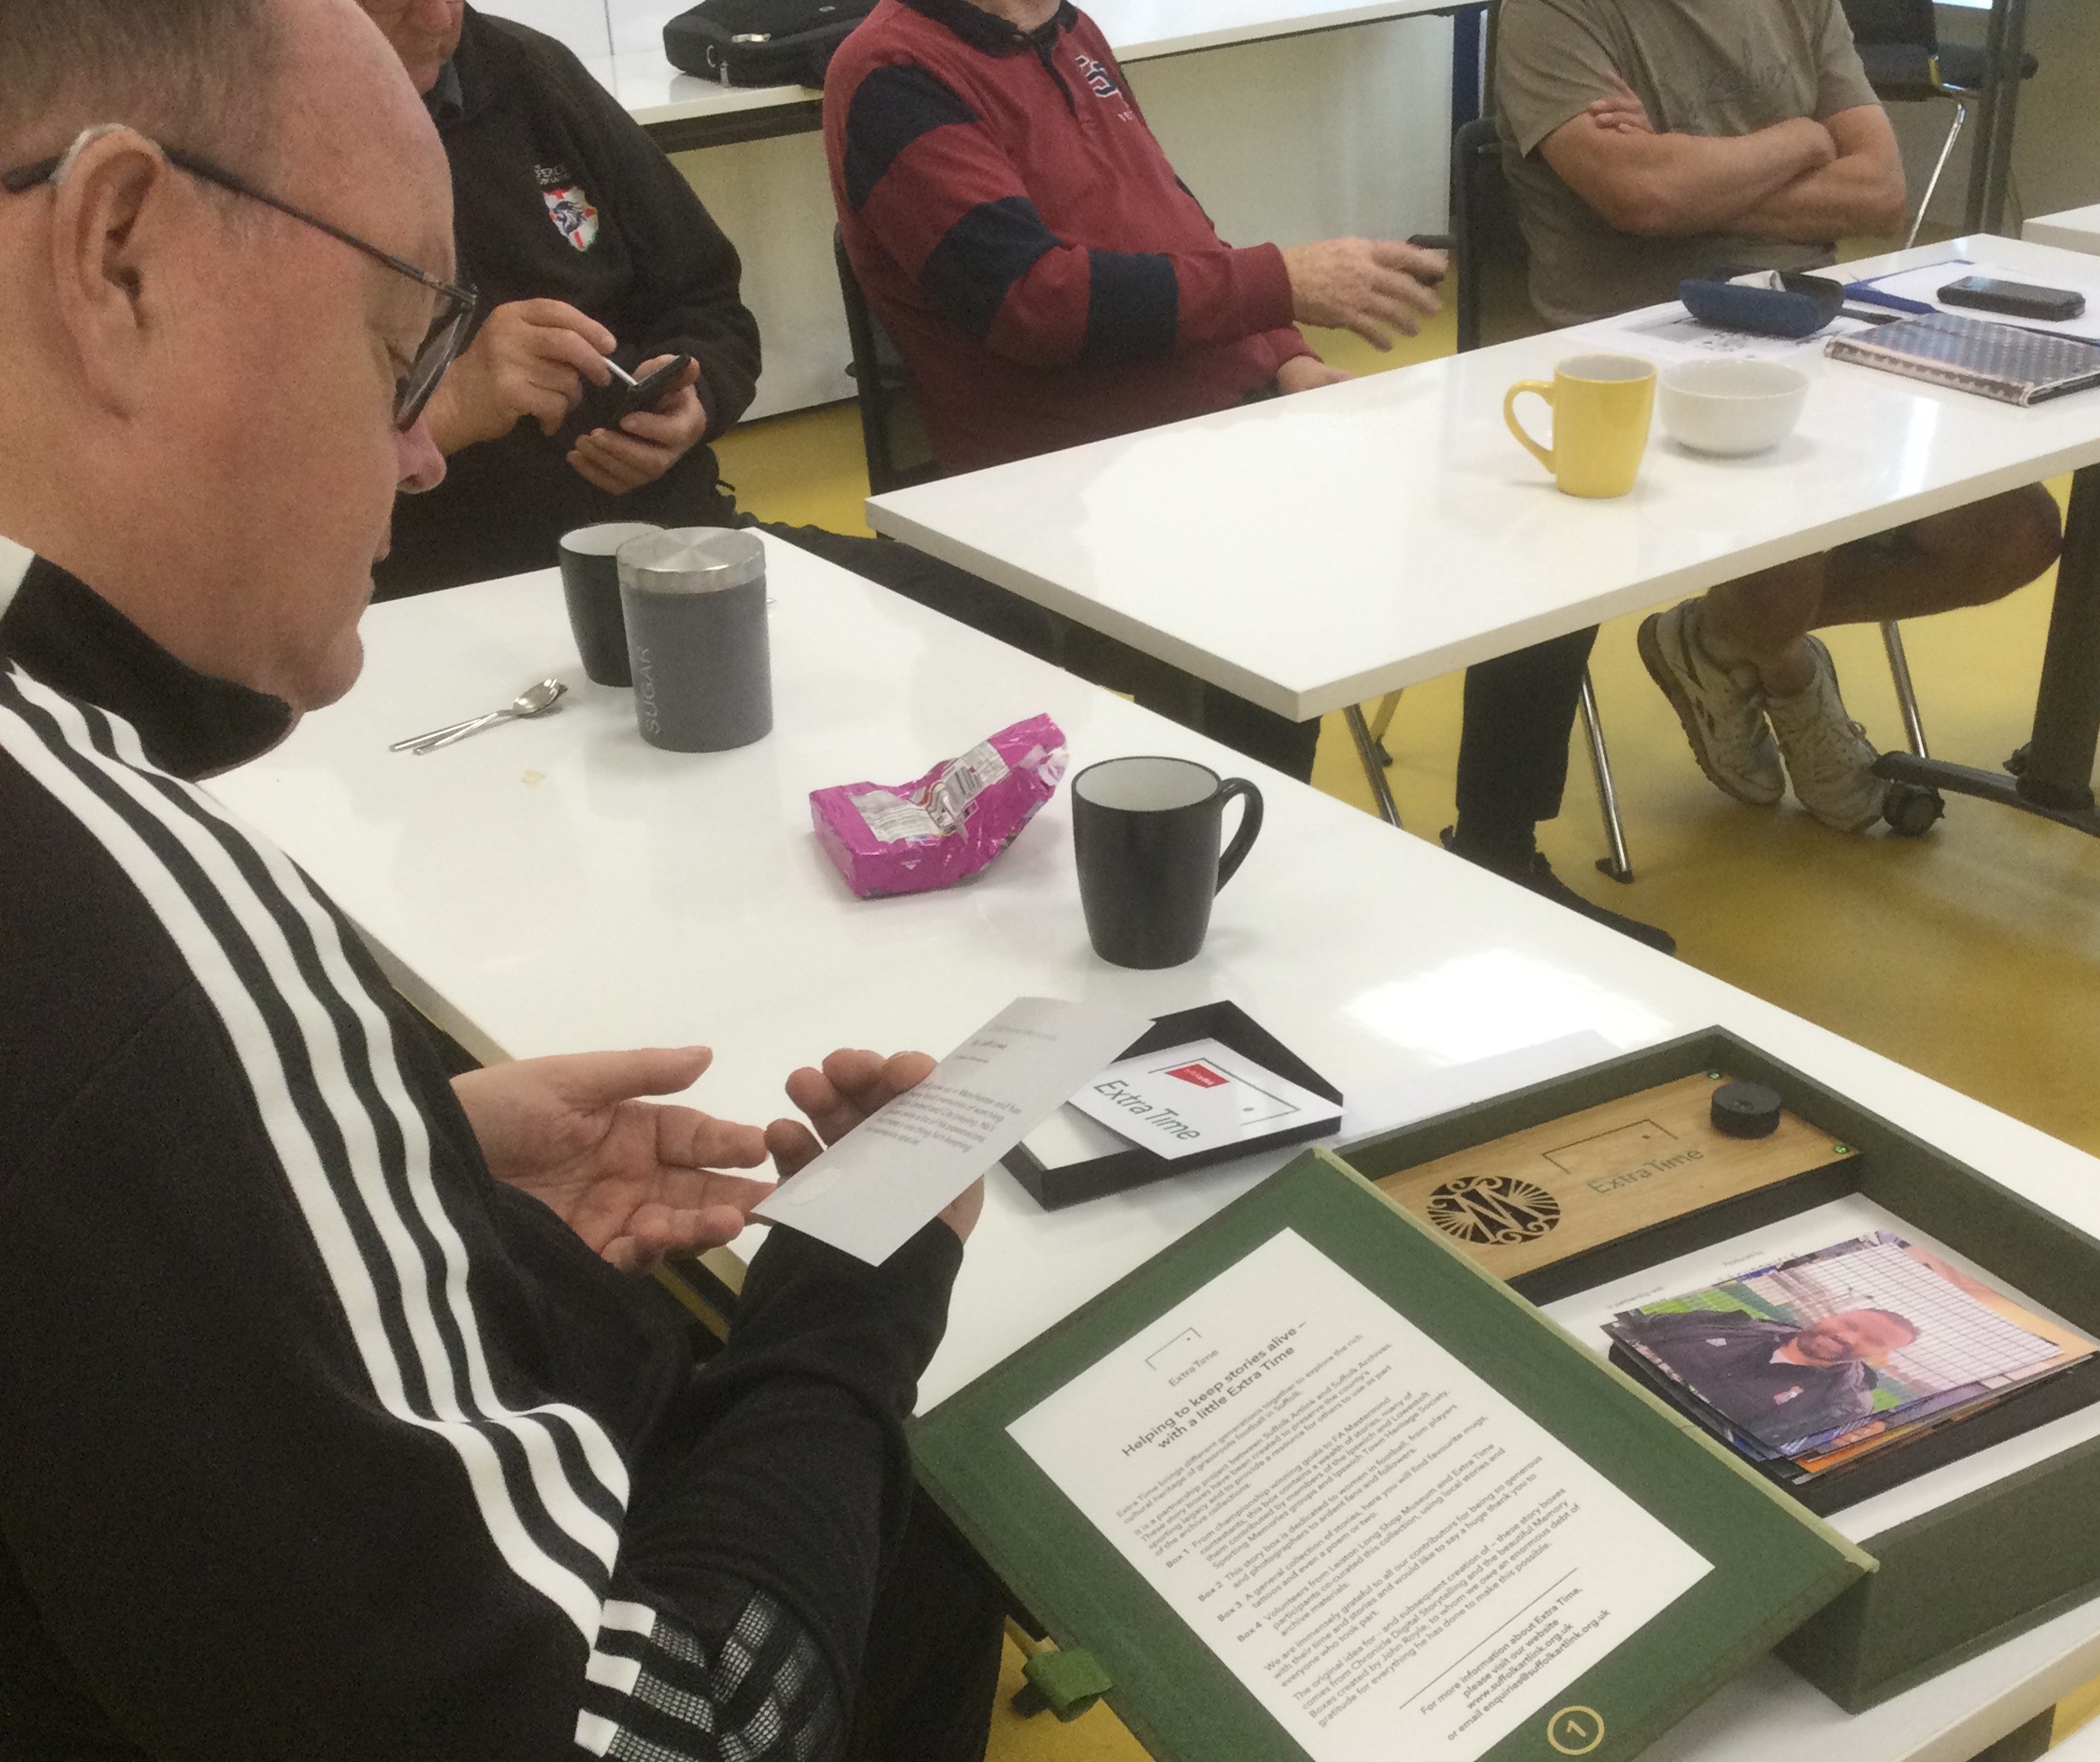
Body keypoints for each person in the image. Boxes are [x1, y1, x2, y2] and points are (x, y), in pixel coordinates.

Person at [0, 3, 1000, 1758]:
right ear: (121, 255)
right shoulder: (129, 927)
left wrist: (367, 1161)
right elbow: (653, 1733)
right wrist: (846, 1298)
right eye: (399, 348)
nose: (423, 450)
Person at [1449, 0, 2064, 948]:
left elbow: (1878, 192)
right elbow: (1639, 199)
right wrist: (1802, 136)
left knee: (2019, 532)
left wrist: (1691, 174)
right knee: (1780, 543)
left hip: (1817, 330)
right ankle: (1774, 661)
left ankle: (1714, 642)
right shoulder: (1556, 10)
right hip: (1636, 348)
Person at [823, 0, 1449, 781]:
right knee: (1332, 575)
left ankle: (1485, 836)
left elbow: (1176, 228)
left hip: (1195, 452)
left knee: (1477, 515)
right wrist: (1282, 283)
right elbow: (1033, 302)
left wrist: (1286, 355)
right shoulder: (895, 73)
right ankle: (1229, 835)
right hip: (1068, 497)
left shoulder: (1066, 30)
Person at [365, 0, 1059, 664]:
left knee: (1009, 618)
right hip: (438, 602)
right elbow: (259, 514)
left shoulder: (524, 72)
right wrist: (446, 407)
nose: (437, 18)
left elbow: (708, 302)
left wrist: (693, 400)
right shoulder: (270, 149)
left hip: (680, 550)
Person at [1622, 1305, 1917, 1448]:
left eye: (1873, 1340)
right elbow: (1640, 1329)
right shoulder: (1743, 1325)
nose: (1846, 1336)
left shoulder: (1843, 1404)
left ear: (1880, 1356)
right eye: (1848, 1322)